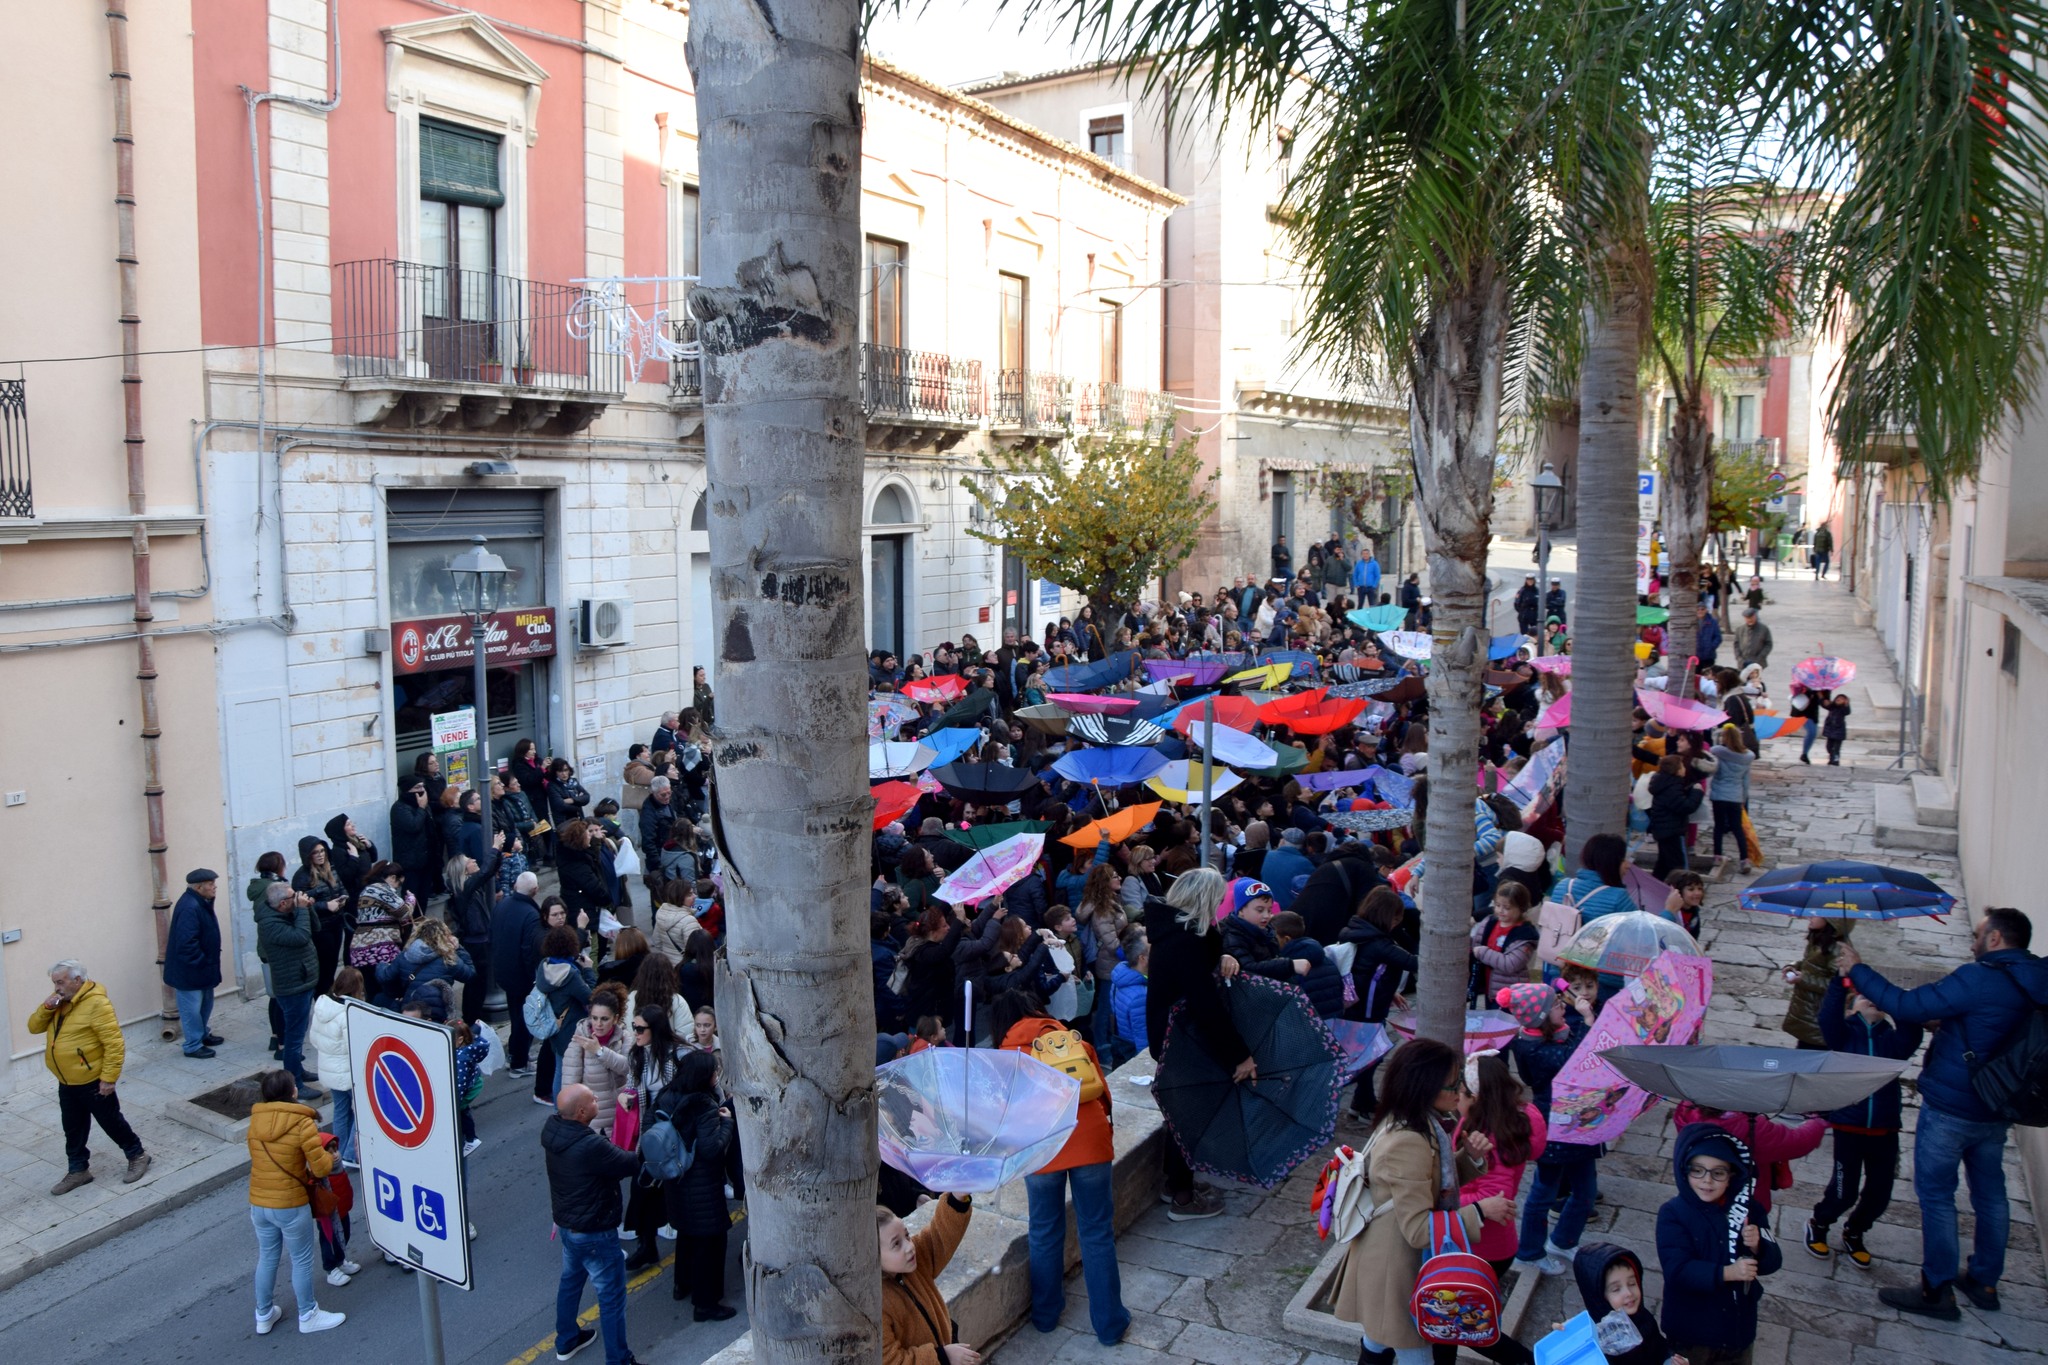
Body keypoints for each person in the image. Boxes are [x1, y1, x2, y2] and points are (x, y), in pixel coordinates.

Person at [1838, 908, 2048, 1319]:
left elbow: (1907, 1004)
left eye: (1978, 934)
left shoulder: (1979, 977)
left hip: (1953, 1106)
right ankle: (1984, 1281)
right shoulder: (2038, 978)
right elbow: (1998, 1023)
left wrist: (1858, 970)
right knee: (1991, 1194)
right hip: (1999, 1105)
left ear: (1995, 939)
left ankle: (1936, 1290)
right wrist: (1952, 1025)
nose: (1972, 942)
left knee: (1936, 1196)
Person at [1332, 1038, 1517, 1365]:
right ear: (1426, 1086)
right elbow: (1418, 1229)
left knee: (1378, 1339)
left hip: (1387, 1254)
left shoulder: (1415, 1120)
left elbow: (1428, 1183)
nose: (1460, 1091)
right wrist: (1479, 1211)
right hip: (1396, 1266)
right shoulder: (1409, 1140)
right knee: (1410, 1347)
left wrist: (1469, 1157)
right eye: (1454, 1083)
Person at [990, 989, 1131, 1345]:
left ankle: (1046, 1315)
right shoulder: (1069, 1038)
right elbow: (1102, 1092)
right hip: (1090, 1139)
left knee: (1043, 1230)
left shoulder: (1007, 1055)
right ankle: (1110, 1325)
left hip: (1042, 1147)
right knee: (1096, 1232)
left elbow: (1002, 1115)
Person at [1141, 869, 1251, 1220]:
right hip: (1182, 1040)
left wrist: (1222, 956)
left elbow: (1201, 965)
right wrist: (1240, 1055)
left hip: (1171, 1036)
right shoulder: (1185, 941)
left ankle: (1175, 1184)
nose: (1220, 906)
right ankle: (1184, 1199)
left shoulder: (1175, 932)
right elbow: (1205, 1003)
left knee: (1182, 1114)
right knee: (1190, 1117)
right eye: (1217, 900)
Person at [1804, 972, 1922, 1269]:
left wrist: (1890, 997)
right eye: (1863, 995)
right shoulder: (1843, 1036)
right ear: (1851, 1008)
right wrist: (1839, 982)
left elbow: (1912, 1031)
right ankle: (1820, 1222)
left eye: (1876, 998)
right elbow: (1827, 1016)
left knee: (1880, 1193)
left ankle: (1855, 1230)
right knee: (1844, 1190)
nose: (1871, 999)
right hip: (1849, 1126)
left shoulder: (1893, 1041)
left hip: (1885, 1128)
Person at [1657, 1124, 1781, 1365]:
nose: (1707, 1180)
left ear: (1732, 1175)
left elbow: (1774, 1261)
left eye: (1718, 1173)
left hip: (1738, 1330)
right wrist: (1728, 1272)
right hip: (1692, 1333)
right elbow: (1677, 1270)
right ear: (1684, 1170)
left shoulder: (1749, 1210)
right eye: (1698, 1171)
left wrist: (1758, 1247)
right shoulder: (1673, 1213)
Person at [1503, 979, 1600, 1277]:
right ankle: (1530, 1252)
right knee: (1544, 1192)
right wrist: (1587, 1021)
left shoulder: (1551, 1035)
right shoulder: (1533, 1048)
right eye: (1557, 1005)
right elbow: (1575, 1061)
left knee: (1585, 1190)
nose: (1563, 1007)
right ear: (1542, 1017)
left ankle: (1563, 1240)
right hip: (1555, 1126)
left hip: (1576, 1122)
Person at [542, 1082, 642, 1365]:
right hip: (595, 1232)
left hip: (568, 1226)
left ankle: (567, 1339)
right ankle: (619, 1360)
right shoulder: (590, 1145)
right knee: (611, 1298)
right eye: (593, 1099)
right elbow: (630, 1163)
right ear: (582, 1112)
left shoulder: (552, 1130)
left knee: (570, 1282)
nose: (598, 1099)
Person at [31, 959, 150, 1194]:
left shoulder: (97, 1004)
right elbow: (33, 1027)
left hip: (93, 1080)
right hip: (67, 1080)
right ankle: (78, 1170)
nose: (56, 988)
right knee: (72, 1128)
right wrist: (46, 1008)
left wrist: (109, 1078)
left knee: (110, 1121)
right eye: (54, 983)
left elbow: (114, 1043)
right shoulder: (59, 1002)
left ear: (77, 980)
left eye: (60, 982)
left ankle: (137, 1155)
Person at [246, 1070, 346, 1335]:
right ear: (293, 1092)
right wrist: (331, 1158)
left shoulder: (255, 1121)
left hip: (259, 1202)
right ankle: (308, 1314)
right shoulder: (302, 1123)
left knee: (267, 1256)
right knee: (301, 1259)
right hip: (290, 1202)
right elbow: (320, 1168)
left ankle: (264, 1314)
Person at [1456, 1054, 1547, 1289]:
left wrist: (1443, 1200)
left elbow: (1495, 1197)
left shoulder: (1490, 1138)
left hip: (1481, 1247)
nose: (1455, 1097)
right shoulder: (1501, 1121)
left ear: (1475, 1098)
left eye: (1460, 1092)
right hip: (1489, 1242)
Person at [660, 1049, 739, 1319]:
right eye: (714, 1071)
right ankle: (705, 1304)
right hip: (702, 1185)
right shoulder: (703, 1105)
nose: (717, 1075)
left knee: (686, 1235)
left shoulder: (666, 1096)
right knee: (710, 1244)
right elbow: (711, 1149)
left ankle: (682, 1284)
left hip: (675, 1180)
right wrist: (726, 1123)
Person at [879, 1191, 981, 1365]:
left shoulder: (913, 1261)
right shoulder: (876, 1305)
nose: (909, 1247)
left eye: (907, 1235)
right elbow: (890, 1360)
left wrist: (957, 1198)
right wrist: (942, 1357)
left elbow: (940, 1236)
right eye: (896, 1244)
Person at [256, 882, 323, 1099]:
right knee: (293, 1039)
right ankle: (294, 1084)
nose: (297, 898)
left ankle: (298, 1071)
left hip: (302, 981)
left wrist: (308, 908)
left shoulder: (286, 913)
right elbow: (300, 937)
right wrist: (301, 909)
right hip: (292, 987)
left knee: (299, 1034)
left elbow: (315, 929)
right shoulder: (269, 924)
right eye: (293, 896)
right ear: (283, 903)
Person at [1570, 1245, 1678, 1365]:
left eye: (1632, 1283)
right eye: (1616, 1289)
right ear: (1599, 1297)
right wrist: (1564, 1333)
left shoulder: (1643, 1317)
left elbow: (1660, 1349)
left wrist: (1671, 1359)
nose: (1628, 1293)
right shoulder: (1596, 1339)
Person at [164, 868, 224, 1058]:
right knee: (191, 1009)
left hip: (203, 969)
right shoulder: (190, 907)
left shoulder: (200, 902)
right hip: (191, 971)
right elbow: (186, 944)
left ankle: (202, 1034)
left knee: (205, 1005)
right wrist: (202, 962)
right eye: (211, 884)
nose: (215, 887)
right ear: (199, 887)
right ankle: (192, 1045)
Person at [534, 926, 596, 1104]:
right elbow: (591, 996)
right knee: (570, 1073)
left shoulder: (545, 966)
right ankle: (565, 1108)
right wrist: (588, 970)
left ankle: (558, 1108)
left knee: (560, 1070)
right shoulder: (569, 974)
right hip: (571, 1029)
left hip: (556, 1026)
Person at [493, 871, 546, 1079]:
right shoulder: (531, 914)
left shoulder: (502, 905)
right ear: (535, 890)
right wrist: (533, 977)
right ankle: (519, 1063)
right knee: (525, 1018)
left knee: (516, 1015)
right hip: (522, 976)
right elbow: (528, 950)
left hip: (504, 972)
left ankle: (515, 1055)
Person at [309, 966, 364, 1167]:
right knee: (362, 1113)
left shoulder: (322, 1004)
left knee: (340, 1111)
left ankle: (337, 1151)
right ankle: (350, 1155)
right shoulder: (347, 1013)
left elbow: (314, 1039)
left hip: (328, 1070)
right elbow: (354, 1048)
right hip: (348, 1073)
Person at [560, 982, 630, 1135]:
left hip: (623, 1114)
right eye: (594, 1018)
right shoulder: (579, 1043)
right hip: (595, 1122)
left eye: (604, 1019)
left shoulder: (624, 1037)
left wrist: (599, 1051)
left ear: (615, 1019)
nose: (598, 1024)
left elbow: (628, 1067)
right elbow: (569, 1088)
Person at [1470, 882, 1539, 997]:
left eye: (1507, 908)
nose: (1500, 911)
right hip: (1489, 988)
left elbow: (1510, 964)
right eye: (1497, 905)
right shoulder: (1489, 922)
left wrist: (1483, 952)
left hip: (1510, 993)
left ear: (1521, 908)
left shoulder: (1524, 935)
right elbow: (1476, 943)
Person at [389, 778, 438, 899]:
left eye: (422, 786)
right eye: (417, 787)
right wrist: (421, 808)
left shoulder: (424, 805)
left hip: (426, 860)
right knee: (411, 896)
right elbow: (413, 826)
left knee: (423, 896)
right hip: (410, 863)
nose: (421, 790)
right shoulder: (399, 808)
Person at [1261, 828, 1315, 909]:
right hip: (1290, 911)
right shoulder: (1305, 863)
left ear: (1283, 841)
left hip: (1269, 907)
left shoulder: (1269, 855)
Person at [1732, 607, 1772, 674]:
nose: (1750, 620)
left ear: (1755, 616)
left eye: (1751, 617)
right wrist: (1739, 658)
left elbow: (1768, 644)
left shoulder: (1764, 629)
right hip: (1743, 662)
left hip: (1758, 662)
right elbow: (1736, 645)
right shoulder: (1740, 629)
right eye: (1747, 618)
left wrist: (1760, 657)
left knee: (1755, 679)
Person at [1820, 693, 1851, 765]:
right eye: (1838, 698)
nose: (1839, 699)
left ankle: (1835, 760)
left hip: (1839, 731)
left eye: (1842, 699)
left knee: (1836, 748)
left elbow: (1848, 712)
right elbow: (1824, 705)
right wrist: (1822, 699)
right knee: (1829, 747)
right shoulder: (1832, 707)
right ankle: (1832, 757)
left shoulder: (1843, 709)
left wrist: (1847, 704)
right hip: (1830, 730)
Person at [1693, 601, 1722, 671]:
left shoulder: (1713, 622)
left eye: (1702, 609)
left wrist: (1711, 647)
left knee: (1707, 675)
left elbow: (1718, 637)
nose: (1700, 611)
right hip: (1695, 656)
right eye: (1698, 609)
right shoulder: (1692, 622)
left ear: (1706, 610)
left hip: (1709, 656)